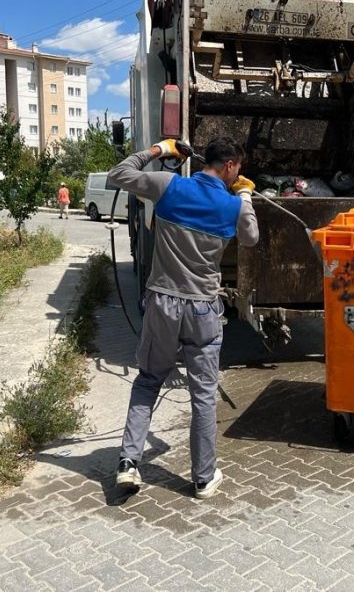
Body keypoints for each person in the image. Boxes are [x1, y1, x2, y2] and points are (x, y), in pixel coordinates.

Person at [108, 137, 258, 499]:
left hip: (162, 303)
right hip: (203, 309)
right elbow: (251, 238)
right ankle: (203, 478)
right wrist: (245, 196)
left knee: (148, 380)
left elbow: (118, 174)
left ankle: (128, 463)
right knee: (203, 395)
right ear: (230, 166)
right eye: (238, 169)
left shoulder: (168, 186)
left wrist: (158, 151)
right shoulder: (232, 205)